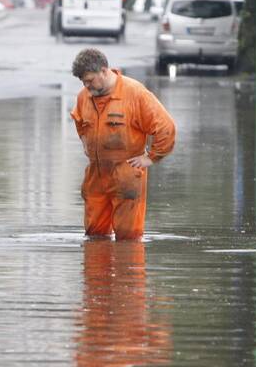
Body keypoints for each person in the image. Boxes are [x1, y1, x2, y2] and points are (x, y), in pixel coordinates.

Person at [70, 48, 177, 240]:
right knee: (94, 236)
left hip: (126, 173)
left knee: (129, 239)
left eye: (90, 80)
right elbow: (80, 124)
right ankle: (96, 269)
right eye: (83, 82)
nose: (86, 86)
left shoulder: (135, 94)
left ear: (104, 71)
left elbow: (166, 128)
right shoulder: (83, 97)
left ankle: (128, 267)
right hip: (96, 174)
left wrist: (151, 158)